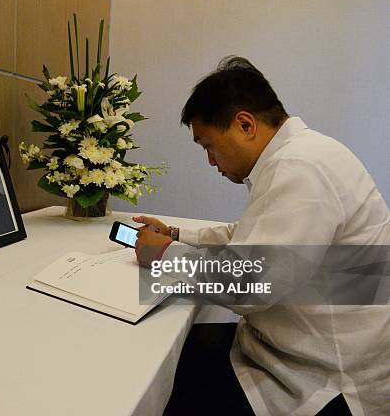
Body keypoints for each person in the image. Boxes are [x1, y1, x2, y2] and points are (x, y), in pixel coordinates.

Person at [134, 56, 390, 415]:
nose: (210, 161)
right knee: (176, 350)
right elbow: (254, 236)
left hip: (322, 377)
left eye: (208, 145)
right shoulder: (304, 154)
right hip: (295, 347)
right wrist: (176, 233)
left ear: (244, 124)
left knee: (162, 381)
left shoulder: (300, 168)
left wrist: (165, 255)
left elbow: (251, 286)